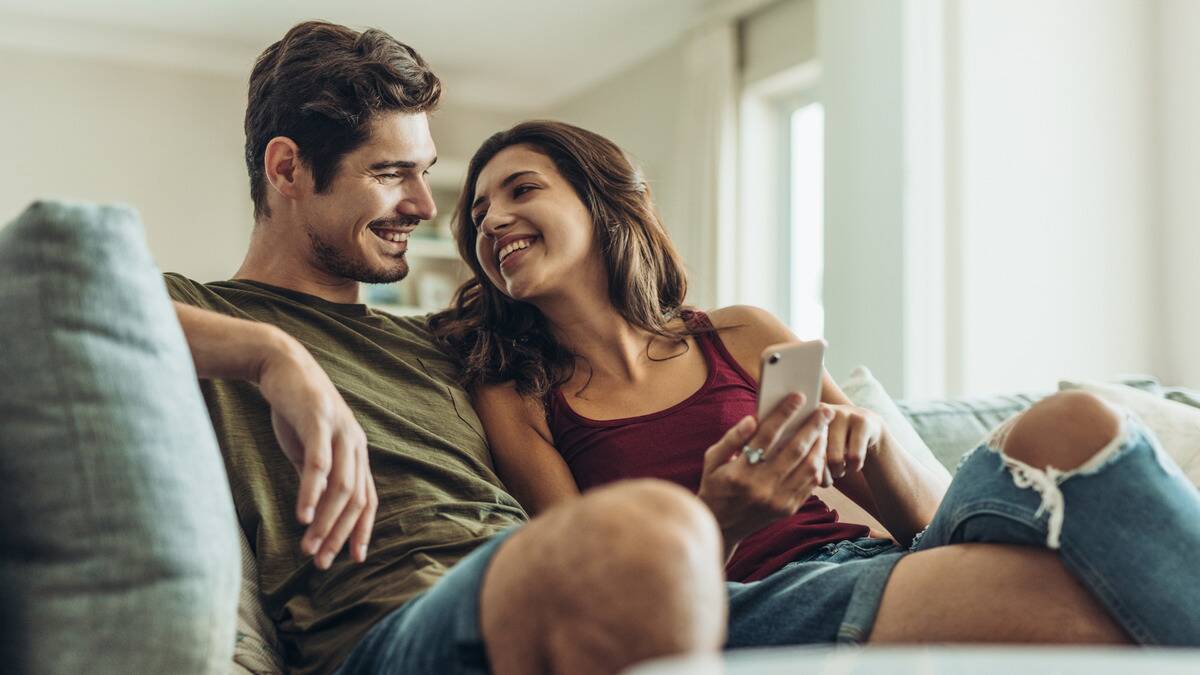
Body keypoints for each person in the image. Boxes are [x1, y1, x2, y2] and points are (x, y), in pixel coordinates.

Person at [428, 120, 1200, 649]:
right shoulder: (517, 393)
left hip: (871, 557)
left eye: (521, 190)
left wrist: (867, 442)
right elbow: (602, 594)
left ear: (602, 204)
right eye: (479, 211)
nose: (492, 219)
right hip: (745, 601)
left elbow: (925, 524)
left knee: (1074, 420)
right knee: (1074, 589)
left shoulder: (739, 332)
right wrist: (718, 518)